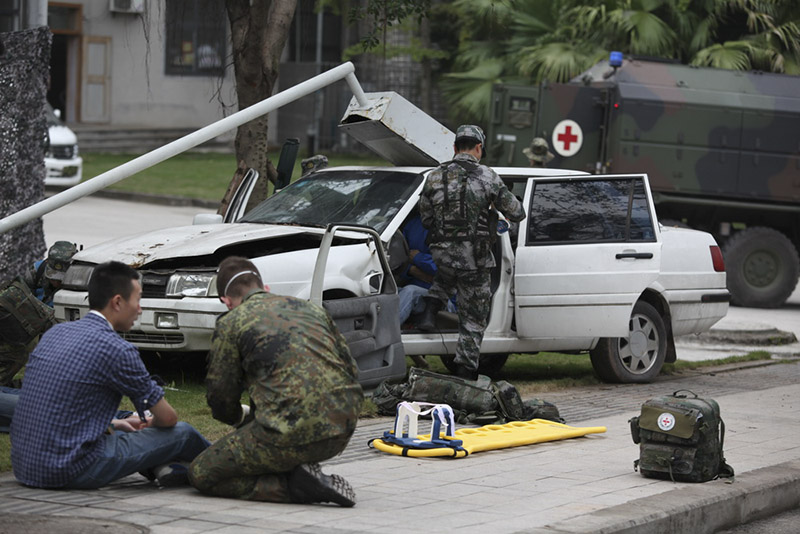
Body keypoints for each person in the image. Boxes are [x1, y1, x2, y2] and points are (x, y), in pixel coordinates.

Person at [10, 261, 210, 489]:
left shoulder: (56, 333)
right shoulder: (117, 349)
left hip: (25, 466)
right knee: (183, 434)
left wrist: (117, 423)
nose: (140, 309)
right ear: (117, 302)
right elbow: (168, 419)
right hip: (68, 469)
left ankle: (169, 467)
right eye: (138, 300)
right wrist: (151, 424)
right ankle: (231, 466)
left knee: (126, 428)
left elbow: (61, 407)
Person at [188, 256, 362, 507]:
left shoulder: (232, 322)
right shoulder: (312, 310)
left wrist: (238, 419)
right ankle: (302, 473)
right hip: (343, 428)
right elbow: (351, 368)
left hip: (287, 433)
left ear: (226, 301)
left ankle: (296, 488)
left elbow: (221, 397)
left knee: (201, 473)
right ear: (265, 287)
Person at [417, 125, 525, 380]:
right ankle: (465, 371)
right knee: (474, 319)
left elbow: (426, 219)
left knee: (447, 275)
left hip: (442, 255)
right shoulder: (488, 176)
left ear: (455, 147)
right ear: (478, 148)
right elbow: (517, 213)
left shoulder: (434, 176)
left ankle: (430, 308)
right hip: (474, 260)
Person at [0, 241, 76, 388]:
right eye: (53, 278)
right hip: (31, 322)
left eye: (60, 279)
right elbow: (20, 298)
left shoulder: (80, 280)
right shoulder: (37, 271)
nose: (56, 282)